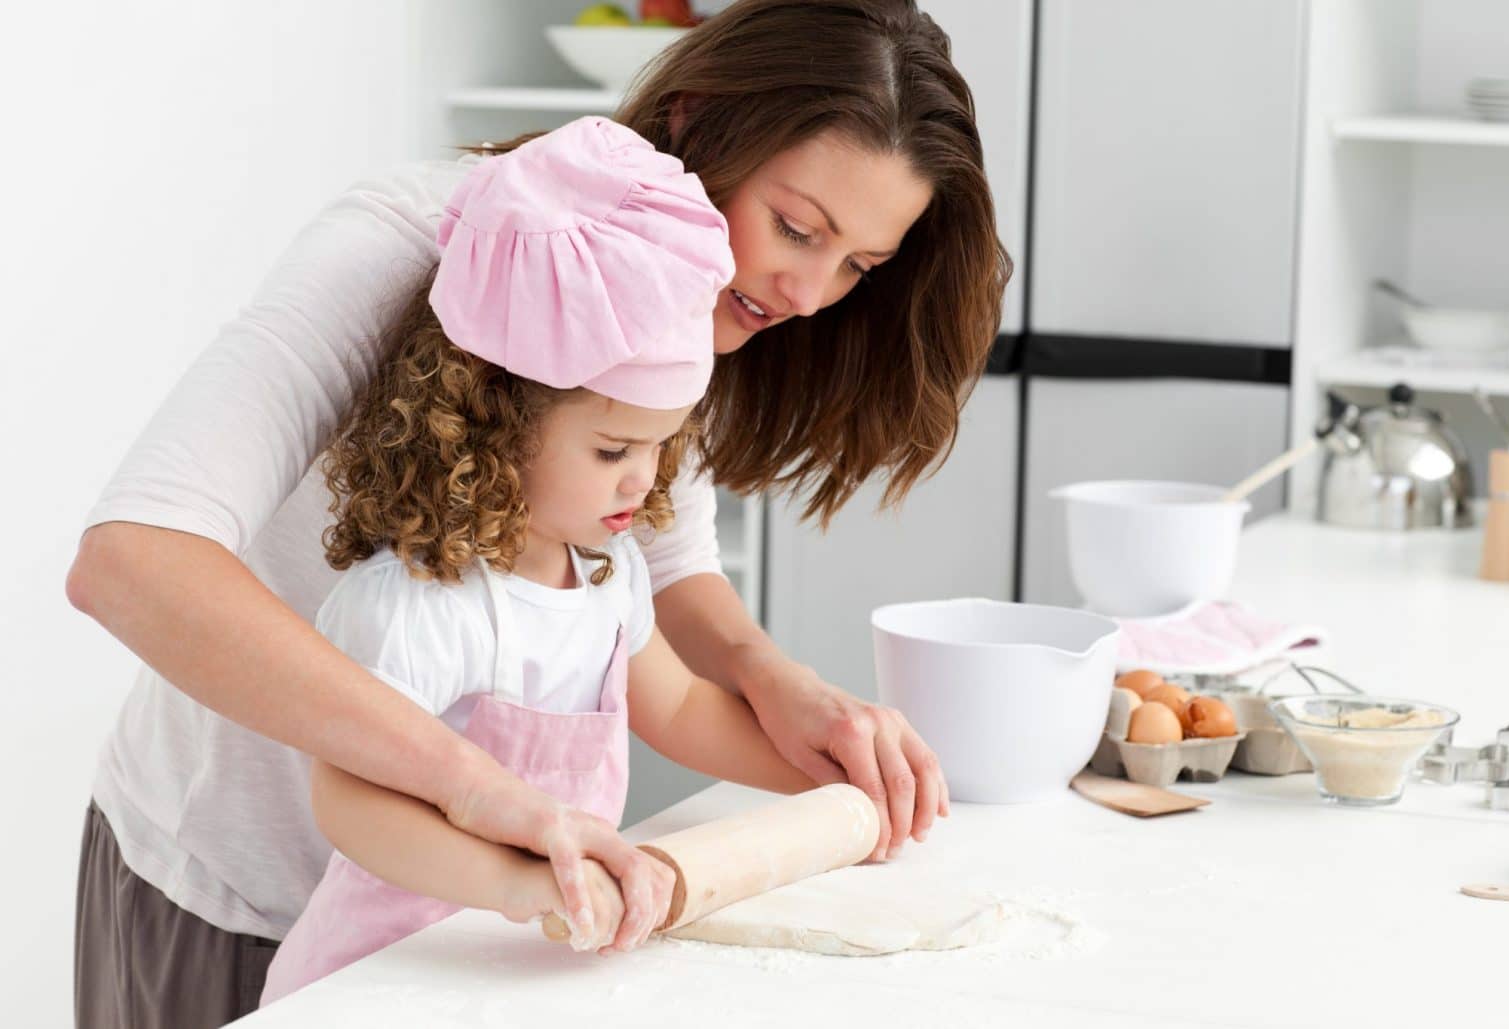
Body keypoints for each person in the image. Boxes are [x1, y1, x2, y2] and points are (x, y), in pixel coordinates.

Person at [68, 1, 1008, 1024]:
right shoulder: (403, 244)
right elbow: (133, 560)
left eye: (858, 266)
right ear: (695, 123)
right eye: (796, 229)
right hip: (230, 899)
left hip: (464, 941)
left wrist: (782, 689)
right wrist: (478, 796)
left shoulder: (688, 302)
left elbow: (663, 568)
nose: (809, 293)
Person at [257, 115, 818, 1005]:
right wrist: (519, 883)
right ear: (495, 425)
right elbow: (349, 801)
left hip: (522, 968)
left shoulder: (607, 574)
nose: (640, 478)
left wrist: (829, 777)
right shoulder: (421, 604)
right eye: (611, 451)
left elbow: (673, 705)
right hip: (386, 979)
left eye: (660, 448)